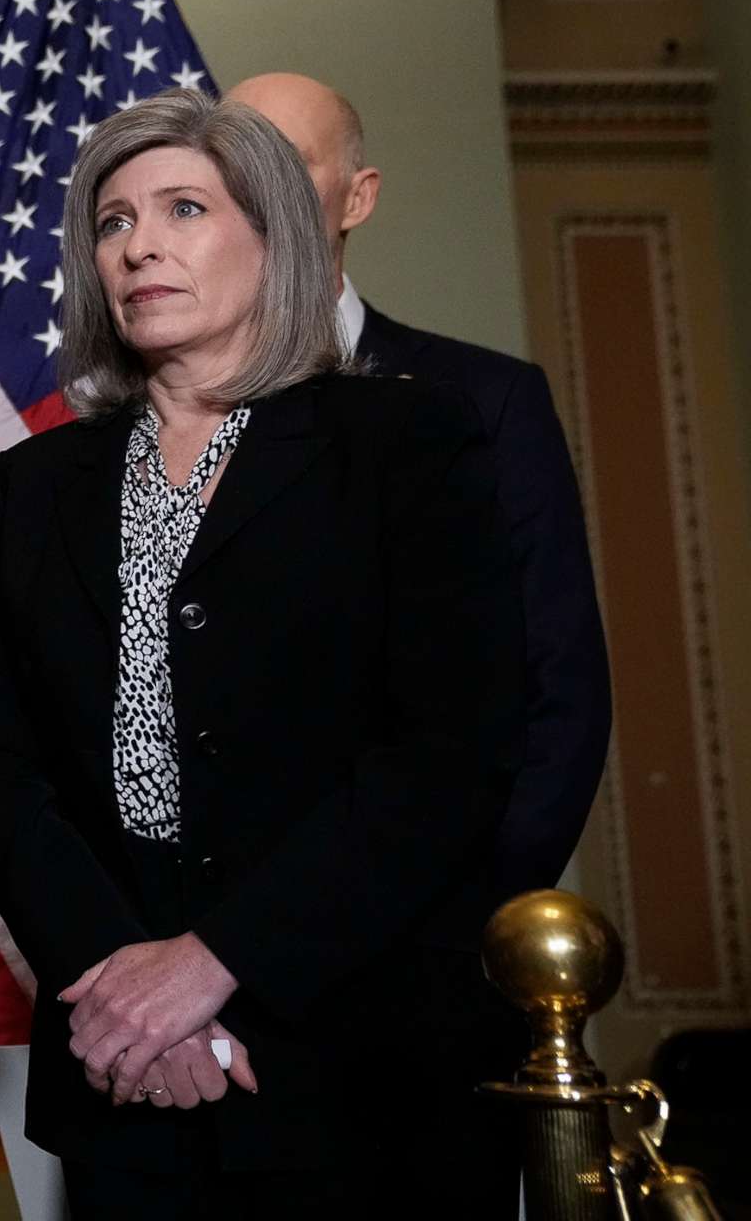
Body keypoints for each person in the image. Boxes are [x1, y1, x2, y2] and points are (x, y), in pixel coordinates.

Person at [0, 89, 524, 1218]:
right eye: (113, 223)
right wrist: (128, 993)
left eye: (182, 209)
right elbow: (0, 774)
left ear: (277, 237)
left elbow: (446, 755)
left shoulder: (408, 444)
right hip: (120, 1064)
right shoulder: (32, 489)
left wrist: (215, 965)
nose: (140, 244)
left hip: (351, 1047)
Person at [226, 69, 610, 1213]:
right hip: (218, 991)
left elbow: (560, 696)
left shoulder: (484, 403)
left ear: (359, 195)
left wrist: (453, 929)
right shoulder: (140, 425)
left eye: (290, 164)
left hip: (431, 984)